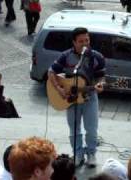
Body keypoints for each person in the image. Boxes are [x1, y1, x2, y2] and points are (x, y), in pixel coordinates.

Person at [48, 27, 106, 167]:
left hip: (90, 97)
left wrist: (100, 85)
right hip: (71, 99)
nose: (85, 43)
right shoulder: (66, 56)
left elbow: (101, 78)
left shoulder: (97, 57)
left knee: (91, 129)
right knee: (74, 129)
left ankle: (91, 153)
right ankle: (78, 154)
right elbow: (51, 72)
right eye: (81, 41)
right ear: (74, 42)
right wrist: (59, 88)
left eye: (87, 40)